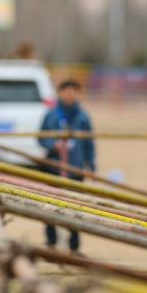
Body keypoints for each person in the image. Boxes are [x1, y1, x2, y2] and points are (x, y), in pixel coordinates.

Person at [38, 80, 95, 252]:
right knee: (50, 203)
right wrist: (52, 145)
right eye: (66, 91)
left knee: (75, 204)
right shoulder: (51, 115)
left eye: (73, 91)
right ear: (60, 93)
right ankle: (51, 239)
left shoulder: (83, 117)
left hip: (75, 168)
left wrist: (90, 165)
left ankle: (74, 241)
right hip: (54, 167)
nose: (69, 94)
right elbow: (41, 137)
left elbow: (89, 143)